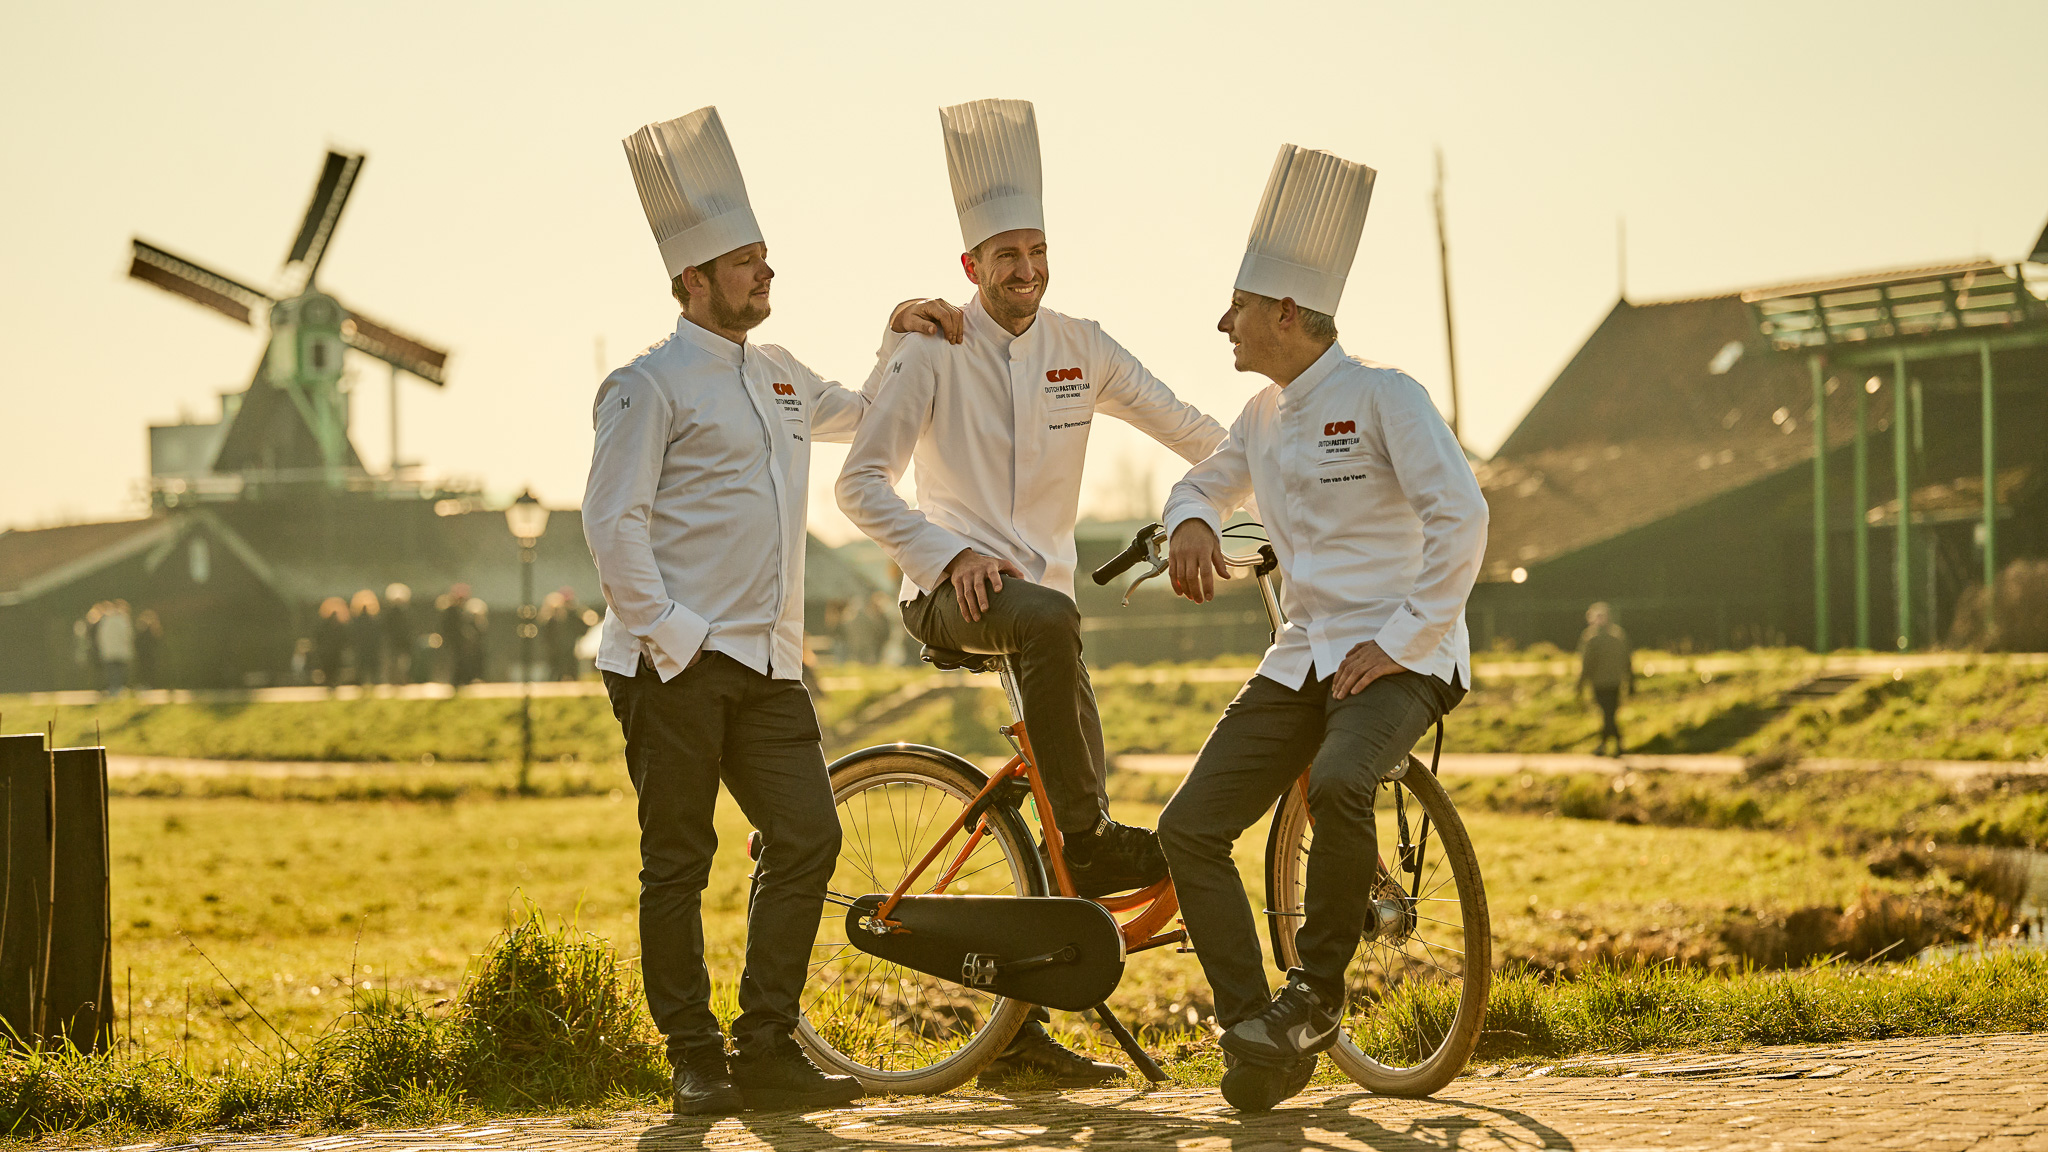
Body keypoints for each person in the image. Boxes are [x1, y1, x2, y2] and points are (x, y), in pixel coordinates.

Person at [837, 100, 1230, 1090]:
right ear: (970, 267)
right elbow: (858, 485)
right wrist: (941, 554)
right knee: (1080, 789)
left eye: (1037, 250)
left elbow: (1194, 429)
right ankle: (1093, 846)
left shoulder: (1080, 346)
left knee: (1061, 777)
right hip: (947, 597)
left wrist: (1285, 489)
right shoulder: (929, 349)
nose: (1025, 269)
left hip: (1042, 614)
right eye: (1004, 254)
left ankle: (1020, 1039)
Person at [587, 106, 961, 1117]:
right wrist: (673, 638)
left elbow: (869, 413)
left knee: (805, 836)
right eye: (744, 262)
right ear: (691, 280)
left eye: (763, 257)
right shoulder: (644, 385)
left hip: (769, 667)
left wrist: (902, 328)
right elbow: (611, 525)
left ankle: (764, 1044)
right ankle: (692, 1053)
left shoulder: (784, 375)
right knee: (677, 860)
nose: (763, 272)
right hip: (671, 663)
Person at [1155, 145, 1488, 1112]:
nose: (1224, 322)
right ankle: (1250, 1020)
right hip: (1305, 653)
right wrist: (1188, 520)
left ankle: (1316, 996)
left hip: (1404, 650)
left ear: (1287, 315)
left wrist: (1408, 637)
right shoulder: (1261, 414)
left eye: (1239, 308)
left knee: (1344, 780)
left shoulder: (1388, 395)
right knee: (1189, 827)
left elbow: (1461, 518)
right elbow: (1204, 481)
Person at [1578, 602, 1632, 756]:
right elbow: (1627, 661)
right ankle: (1614, 745)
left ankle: (1610, 745)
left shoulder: (1592, 638)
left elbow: (1586, 664)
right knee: (1609, 714)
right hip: (1613, 681)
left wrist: (1580, 684)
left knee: (1607, 714)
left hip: (1602, 683)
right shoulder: (1618, 636)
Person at [96, 600, 135, 695]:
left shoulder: (105, 620)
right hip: (122, 651)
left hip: (109, 651)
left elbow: (101, 636)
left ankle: (113, 689)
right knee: (121, 671)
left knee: (112, 671)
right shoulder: (123, 620)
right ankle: (119, 689)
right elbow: (128, 636)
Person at [314, 597, 351, 687]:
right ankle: (330, 683)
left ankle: (332, 683)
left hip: (333, 651)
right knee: (330, 668)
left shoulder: (334, 626)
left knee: (334, 668)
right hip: (329, 651)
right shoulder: (328, 625)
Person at [382, 583, 415, 684]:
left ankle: (402, 680)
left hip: (403, 642)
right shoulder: (390, 614)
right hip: (394, 642)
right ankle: (394, 681)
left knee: (403, 664)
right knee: (394, 663)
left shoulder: (406, 613)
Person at [350, 589, 383, 685]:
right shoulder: (373, 621)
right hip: (366, 647)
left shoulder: (357, 621)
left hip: (366, 647)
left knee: (367, 666)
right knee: (366, 667)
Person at [134, 609, 163, 689]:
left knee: (148, 670)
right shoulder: (151, 630)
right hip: (146, 654)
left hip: (148, 654)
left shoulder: (149, 630)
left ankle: (148, 685)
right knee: (145, 669)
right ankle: (146, 684)